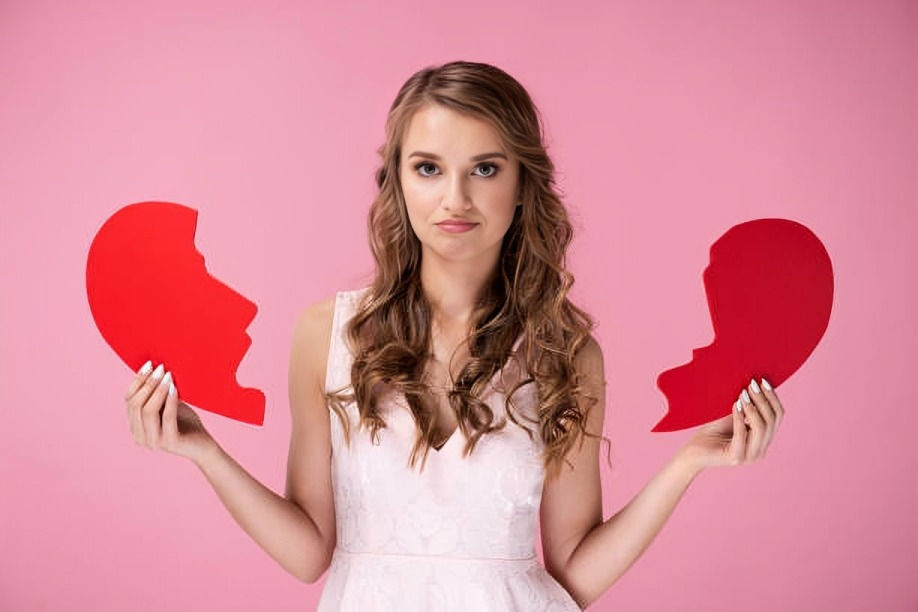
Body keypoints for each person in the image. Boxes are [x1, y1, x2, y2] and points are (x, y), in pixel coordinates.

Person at [123, 60, 785, 610]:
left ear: (524, 182)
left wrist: (691, 462)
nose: (456, 198)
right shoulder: (325, 334)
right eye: (429, 168)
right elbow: (308, 553)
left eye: (486, 168)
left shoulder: (566, 353)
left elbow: (574, 572)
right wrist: (203, 450)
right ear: (397, 182)